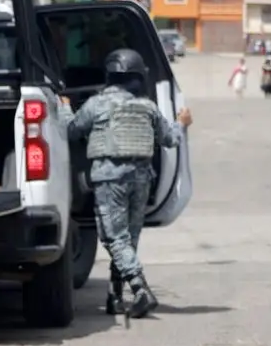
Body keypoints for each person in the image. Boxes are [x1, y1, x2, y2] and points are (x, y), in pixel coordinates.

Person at [61, 49, 194, 318]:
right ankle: (115, 295)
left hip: (110, 180)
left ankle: (139, 288)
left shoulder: (97, 104)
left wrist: (64, 107)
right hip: (142, 180)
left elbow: (72, 130)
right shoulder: (147, 107)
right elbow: (170, 139)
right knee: (128, 239)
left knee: (114, 238)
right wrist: (181, 123)